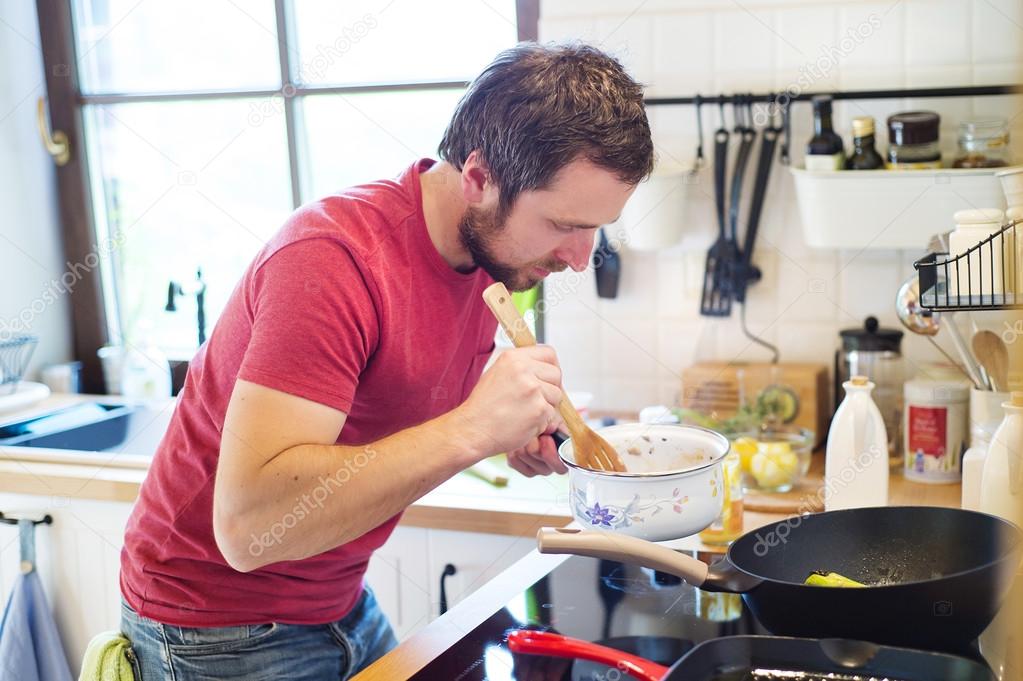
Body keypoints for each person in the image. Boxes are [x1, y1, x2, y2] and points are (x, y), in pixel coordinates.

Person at [119, 42, 653, 680]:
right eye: (564, 223)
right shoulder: (330, 259)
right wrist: (470, 430)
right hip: (215, 626)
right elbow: (248, 527)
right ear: (479, 178)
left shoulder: (490, 254)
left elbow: (392, 401)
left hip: (338, 601)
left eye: (597, 228)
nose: (578, 257)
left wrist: (502, 431)